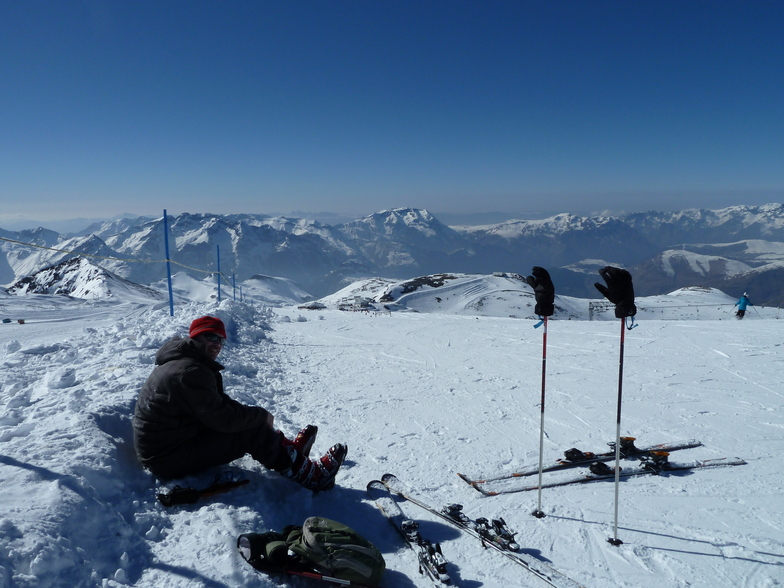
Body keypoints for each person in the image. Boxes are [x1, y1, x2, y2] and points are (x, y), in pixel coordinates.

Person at [132, 315, 346, 491]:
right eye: (211, 337)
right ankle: (313, 476)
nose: (217, 345)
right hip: (167, 458)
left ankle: (287, 451)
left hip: (172, 443)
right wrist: (261, 417)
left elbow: (220, 404)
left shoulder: (188, 363)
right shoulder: (190, 372)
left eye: (221, 340)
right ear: (196, 337)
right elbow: (224, 420)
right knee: (250, 432)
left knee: (248, 420)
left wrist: (256, 416)